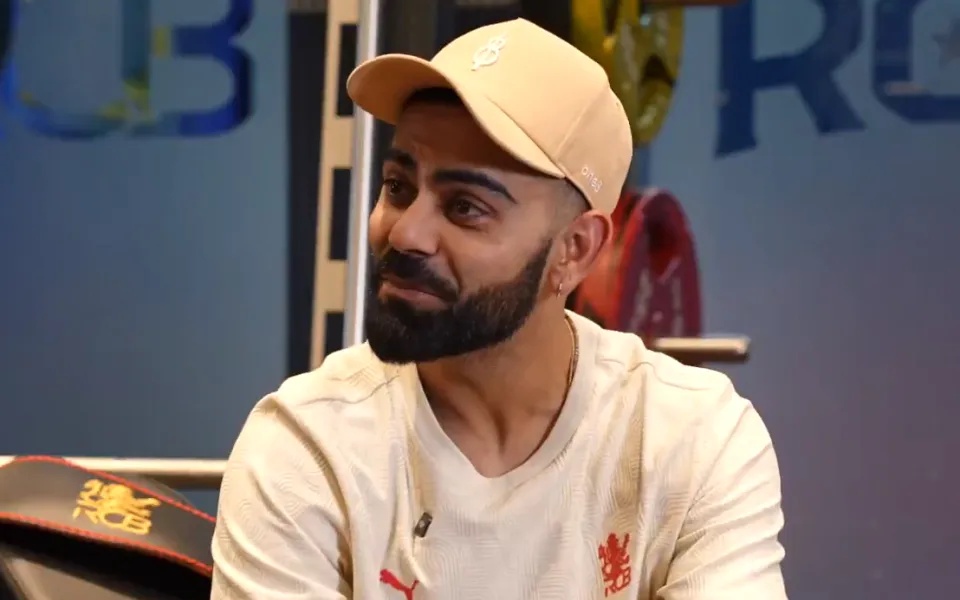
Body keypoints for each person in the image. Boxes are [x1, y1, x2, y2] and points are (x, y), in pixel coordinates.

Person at [210, 18, 787, 600]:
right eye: (398, 186)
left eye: (464, 207)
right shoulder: (306, 447)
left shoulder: (692, 440)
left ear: (574, 250)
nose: (405, 233)